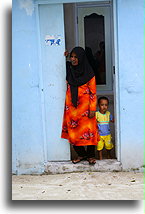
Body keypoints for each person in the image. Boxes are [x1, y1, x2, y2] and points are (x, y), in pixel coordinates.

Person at [61, 47, 100, 164]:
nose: (73, 59)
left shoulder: (89, 74)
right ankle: (81, 154)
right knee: (74, 131)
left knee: (89, 132)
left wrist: (93, 108)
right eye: (72, 57)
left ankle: (91, 156)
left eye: (76, 57)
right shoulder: (69, 69)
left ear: (81, 58)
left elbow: (93, 93)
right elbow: (61, 62)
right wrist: (64, 56)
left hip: (86, 108)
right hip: (72, 108)